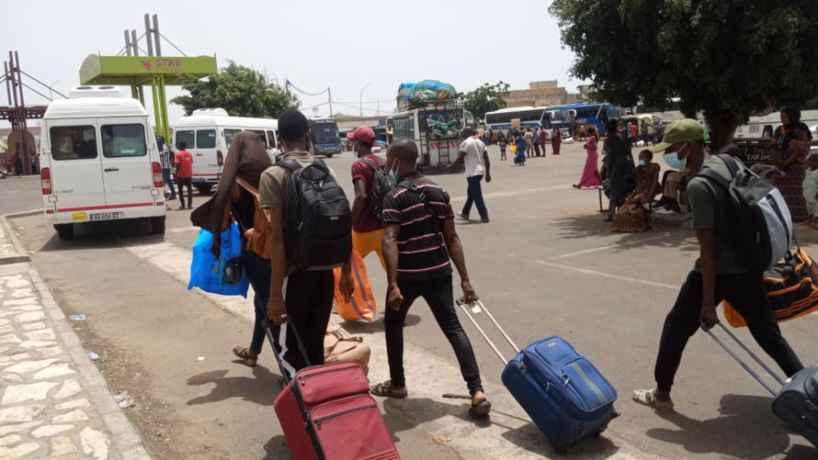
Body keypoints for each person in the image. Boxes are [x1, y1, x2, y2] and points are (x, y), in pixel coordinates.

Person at [632, 119, 804, 412]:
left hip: (719, 270)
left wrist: (709, 302)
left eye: (673, 148)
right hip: (748, 263)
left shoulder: (699, 186)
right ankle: (806, 390)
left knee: (676, 326)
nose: (670, 154)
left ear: (688, 146)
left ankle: (661, 395)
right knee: (767, 332)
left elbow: (708, 248)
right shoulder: (728, 162)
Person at [371, 139, 492, 419]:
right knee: (453, 327)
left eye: (389, 160)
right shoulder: (439, 191)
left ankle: (398, 384)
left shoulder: (395, 196)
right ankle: (476, 391)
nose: (387, 165)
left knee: (393, 325)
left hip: (408, 276)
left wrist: (392, 285)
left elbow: (389, 240)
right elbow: (451, 237)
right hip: (439, 271)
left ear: (398, 163)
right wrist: (465, 279)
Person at [259, 110, 354, 379]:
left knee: (288, 349)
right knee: (314, 345)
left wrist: (276, 294)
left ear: (280, 139)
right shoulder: (326, 169)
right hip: (325, 272)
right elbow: (341, 222)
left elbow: (277, 238)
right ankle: (320, 405)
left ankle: (306, 409)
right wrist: (346, 272)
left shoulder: (273, 175)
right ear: (308, 135)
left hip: (294, 276)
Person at [190, 131, 273, 367]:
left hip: (254, 249)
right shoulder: (273, 175)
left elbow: (224, 223)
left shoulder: (235, 183)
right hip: (278, 248)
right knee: (264, 302)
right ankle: (253, 352)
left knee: (270, 307)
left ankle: (290, 370)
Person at [350, 126, 387, 269]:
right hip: (384, 226)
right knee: (392, 272)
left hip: (364, 229)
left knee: (347, 267)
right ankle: (397, 291)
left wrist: (349, 222)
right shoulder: (383, 162)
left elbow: (361, 196)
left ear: (358, 144)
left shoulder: (359, 165)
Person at [772, 107, 814, 221]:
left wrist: (788, 161)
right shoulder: (779, 130)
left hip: (795, 169)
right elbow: (773, 146)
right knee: (781, 194)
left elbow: (801, 148)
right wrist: (778, 160)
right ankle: (782, 217)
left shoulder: (801, 130)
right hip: (780, 169)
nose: (782, 119)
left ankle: (798, 217)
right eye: (781, 117)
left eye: (785, 117)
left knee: (797, 194)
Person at [610, 150, 661, 233]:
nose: (639, 159)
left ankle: (644, 219)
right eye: (639, 158)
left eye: (642, 158)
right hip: (642, 188)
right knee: (628, 203)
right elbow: (639, 183)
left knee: (638, 199)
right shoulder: (638, 169)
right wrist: (633, 193)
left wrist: (648, 196)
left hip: (651, 189)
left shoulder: (654, 167)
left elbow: (654, 183)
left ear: (648, 159)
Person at [453, 127, 491, 223]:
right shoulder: (480, 142)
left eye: (464, 132)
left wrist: (450, 166)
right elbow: (486, 159)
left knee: (477, 195)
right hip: (480, 172)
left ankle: (484, 215)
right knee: (471, 194)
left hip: (472, 173)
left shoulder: (466, 142)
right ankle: (465, 213)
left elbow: (460, 158)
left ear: (467, 133)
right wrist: (488, 174)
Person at [602, 119, 633, 222]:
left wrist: (608, 168)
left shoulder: (608, 140)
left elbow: (610, 155)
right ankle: (623, 210)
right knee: (624, 189)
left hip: (616, 165)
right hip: (626, 163)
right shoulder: (623, 137)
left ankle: (611, 213)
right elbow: (629, 152)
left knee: (614, 189)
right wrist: (632, 165)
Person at [174, 141, 194, 210]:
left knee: (180, 191)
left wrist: (175, 174)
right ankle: (189, 205)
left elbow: (178, 165)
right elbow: (191, 162)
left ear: (179, 146)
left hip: (181, 175)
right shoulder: (189, 153)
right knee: (189, 191)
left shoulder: (178, 154)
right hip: (189, 174)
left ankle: (183, 205)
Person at [157, 136, 176, 202]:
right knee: (164, 181)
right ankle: (162, 193)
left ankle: (173, 194)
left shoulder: (165, 146)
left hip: (166, 166)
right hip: (163, 166)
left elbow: (162, 154)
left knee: (168, 181)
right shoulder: (163, 146)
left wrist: (156, 152)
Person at [804, 153, 818, 229]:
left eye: (815, 161)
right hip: (808, 193)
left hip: (816, 196)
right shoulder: (808, 170)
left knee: (816, 210)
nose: (812, 163)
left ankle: (816, 221)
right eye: (810, 161)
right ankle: (810, 219)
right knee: (809, 209)